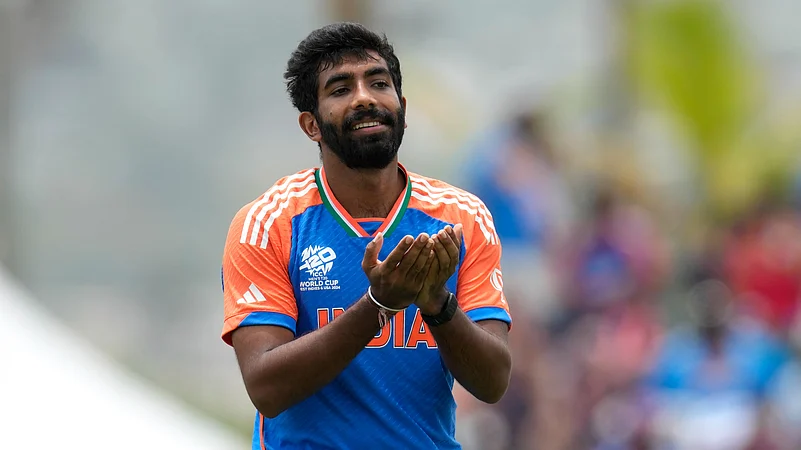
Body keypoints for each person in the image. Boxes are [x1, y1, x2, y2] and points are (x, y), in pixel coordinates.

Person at [219, 22, 512, 449]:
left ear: (402, 107)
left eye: (378, 83)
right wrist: (379, 304)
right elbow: (266, 387)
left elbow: (492, 382)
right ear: (311, 125)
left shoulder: (462, 217)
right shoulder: (269, 223)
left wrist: (436, 303)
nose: (364, 97)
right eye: (340, 89)